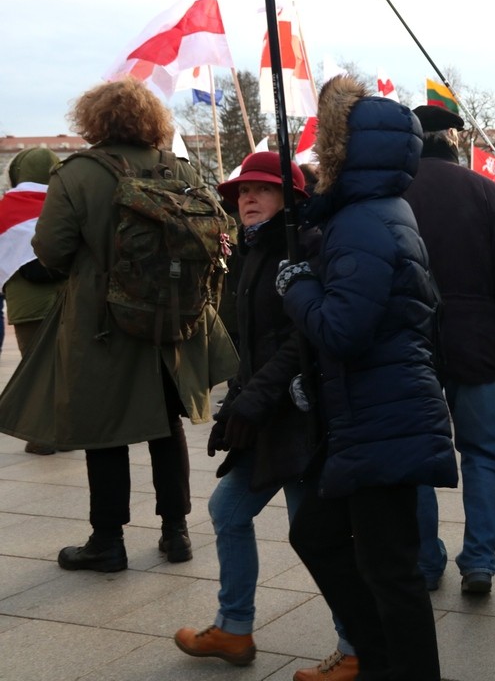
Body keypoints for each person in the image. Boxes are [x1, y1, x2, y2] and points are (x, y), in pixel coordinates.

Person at [0, 77, 238, 572]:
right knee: (167, 424)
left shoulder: (78, 173)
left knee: (103, 429)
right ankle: (176, 532)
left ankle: (107, 541)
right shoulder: (181, 167)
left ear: (93, 120)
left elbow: (52, 250)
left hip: (101, 321)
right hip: (174, 317)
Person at [277, 75, 457, 681]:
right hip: (375, 408)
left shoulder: (361, 221)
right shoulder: (379, 210)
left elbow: (344, 329)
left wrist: (296, 287)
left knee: (391, 571)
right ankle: (378, 661)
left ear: (346, 151)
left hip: (384, 414)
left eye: (326, 144)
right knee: (320, 535)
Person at [172, 152, 357, 679]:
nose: (248, 198)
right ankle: (234, 628)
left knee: (314, 536)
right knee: (229, 512)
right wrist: (239, 398)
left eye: (262, 189)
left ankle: (355, 646)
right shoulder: (256, 250)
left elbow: (303, 340)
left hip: (300, 419)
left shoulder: (305, 247)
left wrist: (254, 398)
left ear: (291, 199)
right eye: (242, 192)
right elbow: (256, 345)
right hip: (268, 416)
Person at [405, 104, 495, 595]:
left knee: (415, 457)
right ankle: (479, 559)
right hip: (476, 342)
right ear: (453, 140)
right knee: (482, 453)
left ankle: (425, 559)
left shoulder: (395, 192)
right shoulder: (485, 191)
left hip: (410, 344)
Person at [0, 147, 66, 455]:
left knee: (35, 370)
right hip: (68, 299)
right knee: (65, 367)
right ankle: (66, 432)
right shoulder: (66, 203)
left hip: (27, 306)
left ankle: (42, 437)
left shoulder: (5, 207)